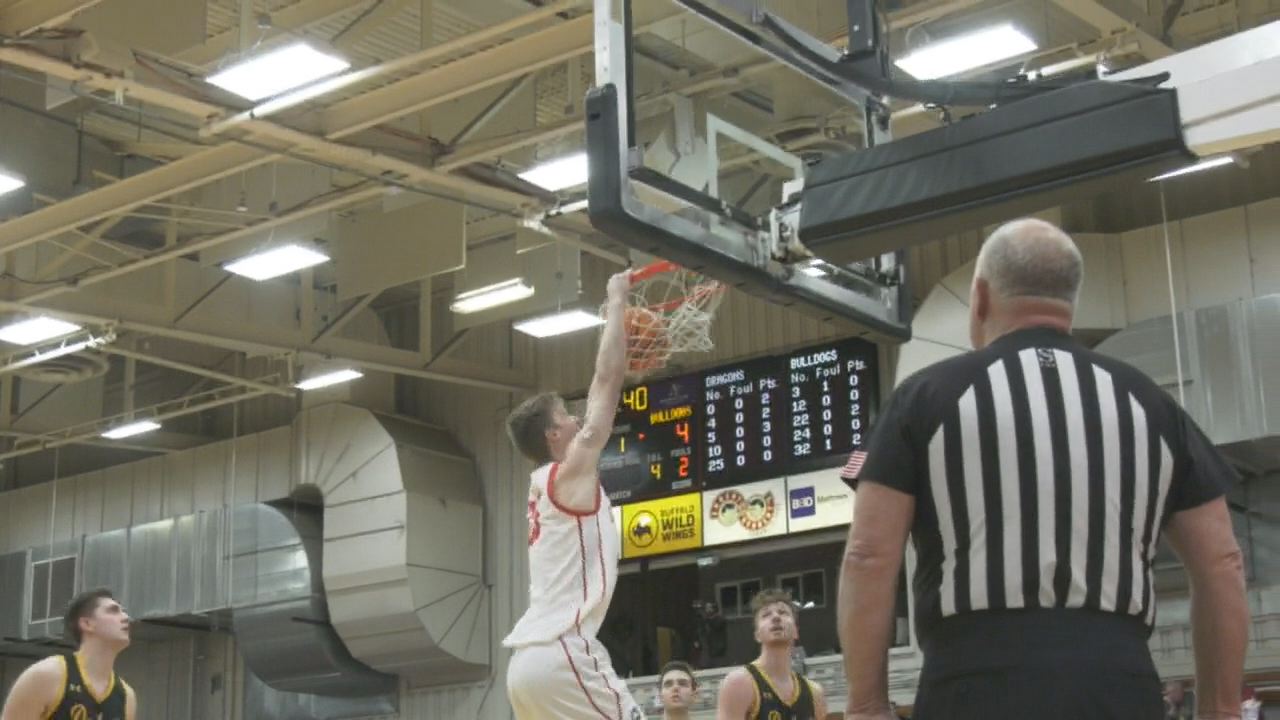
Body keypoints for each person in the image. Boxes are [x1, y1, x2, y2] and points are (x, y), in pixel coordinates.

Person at [836, 218, 1247, 719]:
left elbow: (868, 556)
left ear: (980, 297)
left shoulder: (923, 398)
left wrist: (866, 707)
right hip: (1119, 684)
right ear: (1070, 299)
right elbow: (1222, 563)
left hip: (973, 684)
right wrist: (1222, 710)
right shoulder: (1152, 405)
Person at [502, 270, 644, 720]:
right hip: (562, 652)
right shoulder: (566, 476)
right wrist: (616, 302)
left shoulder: (547, 488)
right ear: (552, 434)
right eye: (566, 414)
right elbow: (607, 380)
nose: (575, 418)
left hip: (525, 667)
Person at [1, 588, 137, 720]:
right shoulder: (46, 675)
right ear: (87, 623)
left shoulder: (126, 697)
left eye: (124, 612)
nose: (126, 617)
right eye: (113, 611)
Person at [716, 589, 827, 720]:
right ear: (757, 635)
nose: (776, 617)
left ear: (796, 631)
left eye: (783, 612)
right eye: (766, 615)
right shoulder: (738, 683)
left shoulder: (815, 693)